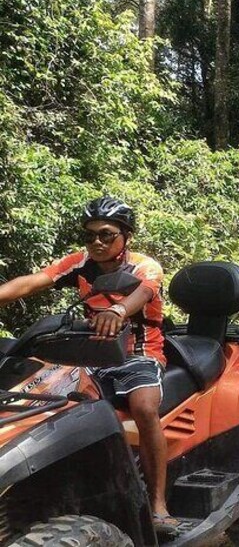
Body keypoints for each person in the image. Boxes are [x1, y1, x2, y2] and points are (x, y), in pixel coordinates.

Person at [0, 196, 177, 535]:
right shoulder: (81, 263)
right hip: (90, 355)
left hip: (137, 355)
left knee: (143, 408)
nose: (97, 242)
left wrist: (118, 311)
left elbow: (141, 294)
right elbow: (35, 281)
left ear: (127, 236)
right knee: (45, 403)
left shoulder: (145, 266)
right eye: (90, 235)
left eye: (107, 234)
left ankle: (158, 505)